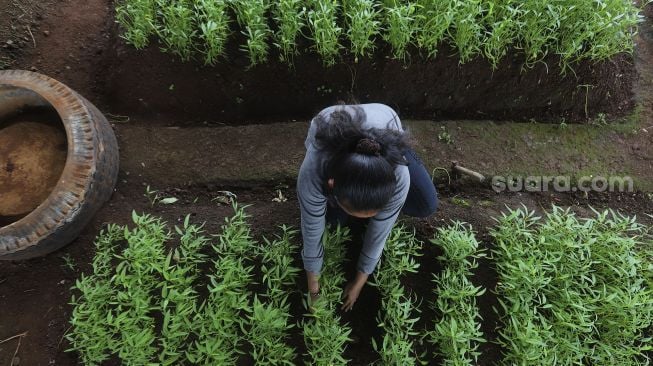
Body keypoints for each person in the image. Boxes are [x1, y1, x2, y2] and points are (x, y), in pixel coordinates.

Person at [297, 103, 438, 312]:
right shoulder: (314, 170)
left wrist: (359, 282)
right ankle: (343, 210)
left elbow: (380, 233)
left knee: (426, 204)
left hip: (387, 135)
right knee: (333, 221)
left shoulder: (398, 174)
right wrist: (314, 291)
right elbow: (312, 232)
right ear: (332, 185)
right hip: (330, 133)